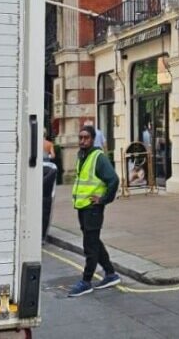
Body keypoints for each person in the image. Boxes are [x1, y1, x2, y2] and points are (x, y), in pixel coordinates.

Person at [68, 126, 121, 297]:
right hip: (83, 207)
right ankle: (110, 273)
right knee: (94, 241)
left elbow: (113, 180)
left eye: (86, 138)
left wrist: (103, 199)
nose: (82, 140)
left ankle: (86, 281)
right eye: (80, 137)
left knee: (89, 245)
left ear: (92, 139)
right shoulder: (82, 156)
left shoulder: (98, 157)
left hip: (93, 209)